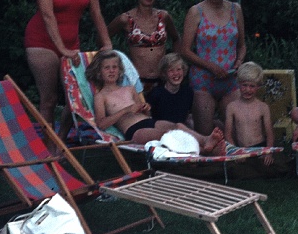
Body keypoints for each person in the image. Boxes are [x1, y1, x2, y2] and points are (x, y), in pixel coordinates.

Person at [23, 0, 112, 143]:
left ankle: (61, 140)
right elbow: (47, 15)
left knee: (78, 97)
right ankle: (48, 147)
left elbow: (96, 11)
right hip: (41, 40)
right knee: (49, 99)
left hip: (71, 42)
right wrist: (61, 48)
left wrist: (107, 43)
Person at [87, 50, 226, 155]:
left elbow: (146, 113)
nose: (112, 70)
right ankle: (203, 151)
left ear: (120, 70)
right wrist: (126, 110)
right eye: (107, 68)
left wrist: (145, 107)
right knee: (166, 135)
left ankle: (205, 140)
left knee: (178, 125)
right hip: (133, 130)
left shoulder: (129, 89)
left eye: (114, 67)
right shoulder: (101, 96)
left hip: (148, 121)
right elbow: (101, 124)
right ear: (99, 72)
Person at [180, 0, 247, 135]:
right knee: (205, 133)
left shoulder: (235, 9)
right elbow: (185, 50)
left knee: (239, 129)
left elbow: (242, 45)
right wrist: (211, 67)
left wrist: (239, 62)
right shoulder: (196, 12)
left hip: (230, 79)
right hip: (204, 81)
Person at [107, 0, 180, 94]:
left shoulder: (164, 17)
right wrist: (114, 62)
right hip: (136, 82)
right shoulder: (125, 19)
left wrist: (175, 64)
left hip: (162, 82)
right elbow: (103, 38)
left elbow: (176, 39)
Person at [224, 62, 275, 166]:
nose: (248, 89)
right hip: (241, 149)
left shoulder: (263, 107)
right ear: (238, 83)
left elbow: (269, 133)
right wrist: (235, 152)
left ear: (258, 87)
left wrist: (268, 153)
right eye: (244, 85)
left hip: (259, 148)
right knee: (233, 168)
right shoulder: (232, 107)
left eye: (252, 86)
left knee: (273, 165)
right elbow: (228, 134)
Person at [146, 52, 194, 126]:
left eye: (178, 69)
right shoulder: (156, 94)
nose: (176, 73)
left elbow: (188, 117)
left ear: (183, 71)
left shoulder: (188, 92)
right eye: (171, 70)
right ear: (164, 73)